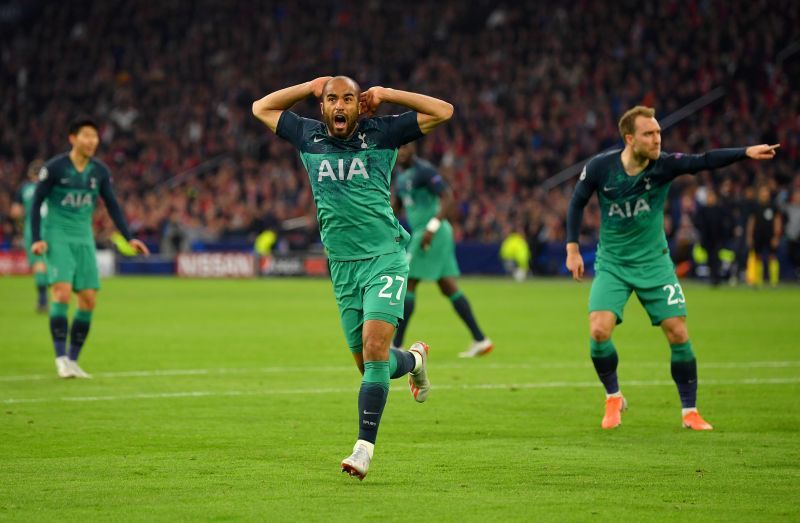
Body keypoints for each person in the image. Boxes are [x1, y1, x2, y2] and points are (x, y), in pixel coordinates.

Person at [252, 76, 453, 480]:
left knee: (375, 348)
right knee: (369, 365)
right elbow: (262, 107)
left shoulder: (383, 131)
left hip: (385, 256)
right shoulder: (307, 135)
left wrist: (388, 94)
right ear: (322, 106)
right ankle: (414, 359)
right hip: (342, 266)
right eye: (331, 99)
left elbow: (444, 111)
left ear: (360, 105)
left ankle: (363, 449)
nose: (340, 105)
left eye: (348, 99)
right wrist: (308, 85)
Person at [565, 105, 778, 431]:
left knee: (678, 332)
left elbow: (703, 160)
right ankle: (613, 396)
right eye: (649, 134)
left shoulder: (663, 166)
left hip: (655, 263)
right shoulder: (600, 167)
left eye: (659, 133)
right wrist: (573, 249)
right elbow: (577, 202)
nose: (657, 139)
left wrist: (745, 152)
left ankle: (689, 412)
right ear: (630, 138)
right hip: (613, 263)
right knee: (598, 330)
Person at [30, 117, 149, 379]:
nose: (92, 141)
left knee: (88, 299)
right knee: (61, 292)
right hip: (57, 234)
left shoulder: (100, 171)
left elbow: (112, 205)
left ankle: (73, 360)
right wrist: (36, 238)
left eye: (94, 136)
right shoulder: (54, 168)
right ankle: (60, 358)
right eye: (86, 135)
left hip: (84, 237)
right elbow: (36, 203)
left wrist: (129, 238)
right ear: (73, 138)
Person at [391, 142, 492, 357]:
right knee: (448, 287)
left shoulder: (425, 171)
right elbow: (397, 206)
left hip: (432, 233)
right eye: (398, 148)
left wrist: (432, 226)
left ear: (414, 148)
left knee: (408, 282)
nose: (402, 152)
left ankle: (396, 345)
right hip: (423, 233)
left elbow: (448, 198)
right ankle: (480, 339)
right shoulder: (400, 176)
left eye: (406, 147)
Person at [10, 159, 48, 312]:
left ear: (29, 174)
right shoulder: (50, 187)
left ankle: (42, 300)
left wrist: (21, 224)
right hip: (52, 228)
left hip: (33, 229)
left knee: (38, 263)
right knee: (50, 263)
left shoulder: (24, 189)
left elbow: (15, 212)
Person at [747, 185, 783, 287]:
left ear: (768, 194)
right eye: (762, 192)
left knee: (772, 256)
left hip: (770, 235)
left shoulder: (773, 206)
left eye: (766, 192)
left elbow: (777, 221)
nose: (764, 194)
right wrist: (750, 236)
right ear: (759, 194)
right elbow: (751, 222)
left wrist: (776, 236)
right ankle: (758, 280)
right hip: (758, 235)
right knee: (757, 257)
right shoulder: (755, 206)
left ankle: (774, 281)